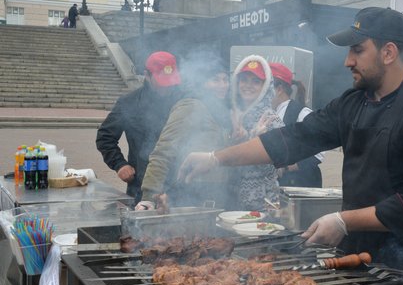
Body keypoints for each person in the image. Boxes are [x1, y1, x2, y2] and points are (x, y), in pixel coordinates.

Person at [180, 7, 403, 285]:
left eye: (357, 50)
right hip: (355, 249)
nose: (347, 61)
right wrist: (216, 159)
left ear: (388, 52)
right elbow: (292, 139)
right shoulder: (353, 102)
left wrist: (343, 220)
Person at [135, 53, 232, 211]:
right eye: (215, 79)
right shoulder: (191, 105)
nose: (222, 85)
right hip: (192, 194)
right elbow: (163, 151)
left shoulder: (221, 111)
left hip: (217, 194)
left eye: (225, 79)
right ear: (202, 83)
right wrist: (148, 197)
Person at [96, 51, 183, 205]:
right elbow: (105, 137)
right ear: (147, 76)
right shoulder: (129, 103)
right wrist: (119, 164)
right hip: (140, 187)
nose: (167, 88)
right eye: (162, 81)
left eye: (171, 81)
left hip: (178, 187)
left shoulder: (184, 102)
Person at [229, 55, 283, 211]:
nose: (248, 85)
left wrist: (257, 141)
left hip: (262, 205)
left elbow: (275, 169)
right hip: (233, 202)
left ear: (265, 86)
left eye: (255, 81)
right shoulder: (233, 114)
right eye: (244, 80)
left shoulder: (271, 118)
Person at [269, 62, 323, 188]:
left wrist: (287, 167)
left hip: (301, 184)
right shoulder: (269, 112)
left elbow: (320, 151)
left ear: (279, 89)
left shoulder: (301, 113)